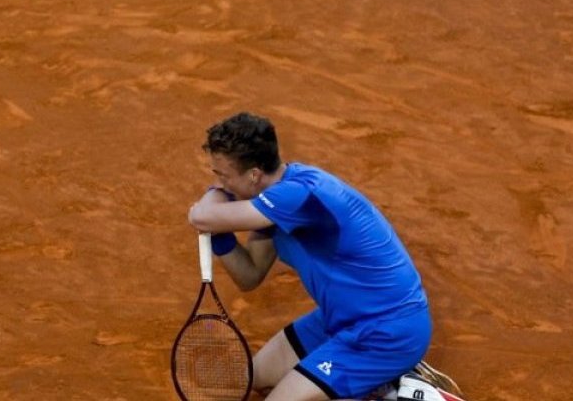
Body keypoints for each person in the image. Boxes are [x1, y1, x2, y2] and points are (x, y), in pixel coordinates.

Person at [187, 112, 466, 401]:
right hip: (342, 320)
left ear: (254, 174)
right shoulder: (274, 202)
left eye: (222, 175)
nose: (219, 183)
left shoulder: (298, 196)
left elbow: (202, 215)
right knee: (251, 378)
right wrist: (219, 232)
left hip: (385, 332)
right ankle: (382, 384)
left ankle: (408, 396)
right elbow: (249, 274)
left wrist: (209, 216)